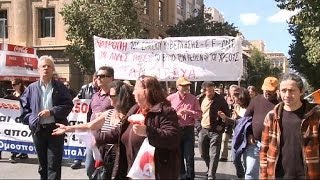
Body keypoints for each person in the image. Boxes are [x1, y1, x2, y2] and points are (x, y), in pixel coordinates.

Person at [93, 75, 181, 179]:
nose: (133, 92)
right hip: (132, 172)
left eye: (136, 89)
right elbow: (118, 132)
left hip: (155, 173)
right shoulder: (135, 109)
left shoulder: (165, 112)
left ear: (146, 91)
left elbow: (173, 138)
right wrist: (95, 137)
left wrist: (147, 131)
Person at [52, 80, 136, 179]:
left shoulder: (131, 116)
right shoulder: (108, 113)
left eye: (112, 95)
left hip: (123, 159)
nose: (109, 98)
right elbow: (89, 126)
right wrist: (67, 128)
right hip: (105, 158)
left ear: (121, 97)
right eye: (108, 95)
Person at [19, 55, 73, 179]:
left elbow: (68, 105)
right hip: (38, 130)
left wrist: (52, 112)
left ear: (53, 69)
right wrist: (32, 120)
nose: (46, 68)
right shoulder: (31, 89)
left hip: (55, 129)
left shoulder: (60, 87)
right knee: (43, 165)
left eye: (49, 66)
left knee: (54, 164)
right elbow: (24, 110)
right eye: (43, 66)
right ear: (38, 69)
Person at [260, 73, 320, 179]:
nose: (287, 95)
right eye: (283, 91)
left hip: (309, 175)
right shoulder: (272, 116)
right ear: (278, 92)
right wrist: (264, 176)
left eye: (291, 90)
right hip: (278, 175)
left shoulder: (315, 116)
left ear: (301, 91)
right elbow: (264, 151)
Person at [243, 77, 279, 179]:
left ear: (276, 89)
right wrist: (249, 134)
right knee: (250, 172)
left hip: (274, 144)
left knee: (271, 173)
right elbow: (246, 119)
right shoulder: (256, 100)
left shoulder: (281, 103)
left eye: (270, 91)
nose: (267, 92)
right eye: (265, 90)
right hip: (255, 143)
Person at [167, 77, 202, 179]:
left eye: (187, 85)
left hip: (188, 130)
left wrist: (189, 112)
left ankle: (190, 177)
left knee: (189, 155)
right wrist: (176, 114)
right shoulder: (170, 99)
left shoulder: (193, 99)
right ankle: (181, 175)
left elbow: (199, 114)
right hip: (175, 130)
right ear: (177, 87)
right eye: (183, 85)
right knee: (178, 155)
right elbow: (165, 114)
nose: (186, 87)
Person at [195, 81, 231, 180]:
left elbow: (227, 114)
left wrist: (222, 126)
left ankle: (211, 175)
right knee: (203, 153)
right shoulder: (200, 99)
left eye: (212, 90)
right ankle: (209, 168)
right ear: (204, 91)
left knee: (214, 154)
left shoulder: (221, 100)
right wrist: (198, 127)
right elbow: (197, 114)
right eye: (208, 91)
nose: (211, 93)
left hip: (215, 131)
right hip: (203, 130)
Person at [84, 66, 114, 179]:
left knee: (106, 168)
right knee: (89, 167)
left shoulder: (115, 95)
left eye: (102, 76)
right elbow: (89, 113)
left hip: (108, 137)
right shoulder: (95, 95)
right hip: (92, 135)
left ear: (111, 78)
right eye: (97, 76)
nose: (98, 78)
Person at [218, 87, 251, 178]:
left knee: (245, 160)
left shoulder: (250, 108)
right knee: (235, 158)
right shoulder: (236, 107)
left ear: (242, 98)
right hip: (237, 135)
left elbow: (247, 122)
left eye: (236, 97)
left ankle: (246, 176)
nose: (233, 99)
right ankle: (241, 175)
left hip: (247, 137)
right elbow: (234, 122)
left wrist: (239, 117)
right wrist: (224, 117)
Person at [70, 72, 98, 170]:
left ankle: (92, 160)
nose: (96, 80)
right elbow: (78, 97)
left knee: (91, 142)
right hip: (84, 118)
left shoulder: (102, 90)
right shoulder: (85, 88)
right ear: (93, 78)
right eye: (95, 78)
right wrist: (76, 100)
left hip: (94, 119)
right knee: (79, 139)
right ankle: (77, 160)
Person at [3, 78, 28, 163]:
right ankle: (15, 153)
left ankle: (20, 153)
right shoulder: (13, 93)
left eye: (14, 84)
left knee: (21, 135)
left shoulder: (25, 93)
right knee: (14, 135)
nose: (12, 86)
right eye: (12, 85)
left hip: (23, 118)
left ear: (19, 84)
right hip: (14, 120)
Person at [220, 84, 240, 162]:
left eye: (236, 91)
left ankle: (235, 156)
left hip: (237, 122)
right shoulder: (225, 99)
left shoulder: (240, 100)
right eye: (233, 91)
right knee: (224, 139)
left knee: (236, 139)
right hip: (227, 121)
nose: (235, 93)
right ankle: (224, 156)